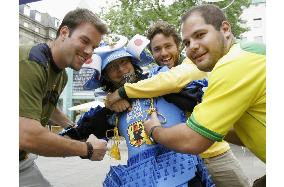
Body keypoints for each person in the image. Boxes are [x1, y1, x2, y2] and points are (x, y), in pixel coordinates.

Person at [107, 20, 251, 186]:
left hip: (215, 157)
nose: (163, 53)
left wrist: (120, 93)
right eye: (157, 49)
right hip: (182, 164)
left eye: (168, 46)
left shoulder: (193, 66)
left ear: (179, 46)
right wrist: (111, 100)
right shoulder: (151, 81)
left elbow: (171, 81)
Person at [61, 36, 214, 186]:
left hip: (185, 171)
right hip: (141, 179)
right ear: (106, 76)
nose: (121, 70)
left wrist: (133, 93)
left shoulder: (161, 82)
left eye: (124, 62)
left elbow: (200, 100)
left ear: (133, 63)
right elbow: (71, 139)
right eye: (113, 67)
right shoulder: (109, 111)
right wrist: (87, 148)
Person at [143, 5, 264, 187]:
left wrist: (154, 130)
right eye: (188, 42)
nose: (193, 46)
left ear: (225, 29)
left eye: (200, 35)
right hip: (185, 163)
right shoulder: (244, 54)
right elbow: (245, 131)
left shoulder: (232, 64)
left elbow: (193, 139)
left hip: (214, 154)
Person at [19, 8, 108, 187]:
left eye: (95, 47)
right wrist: (87, 149)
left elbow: (47, 105)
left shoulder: (61, 75)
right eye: (85, 41)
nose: (90, 51)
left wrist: (74, 128)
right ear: (64, 32)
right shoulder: (31, 62)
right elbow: (26, 135)